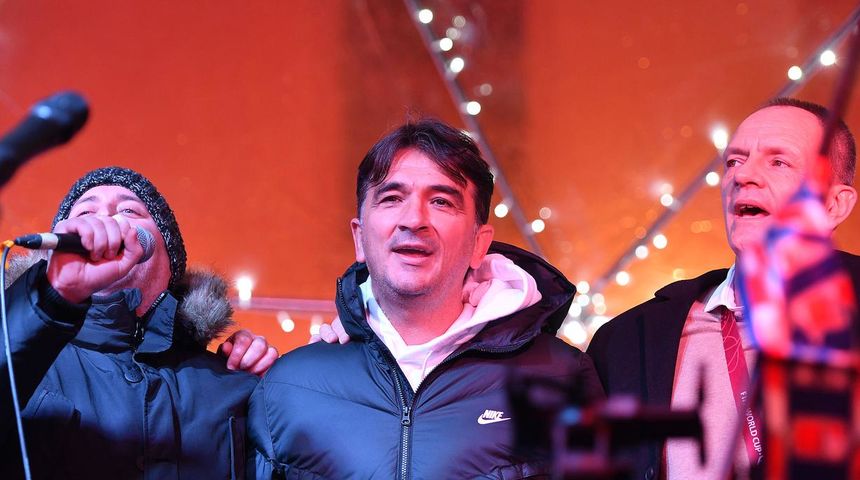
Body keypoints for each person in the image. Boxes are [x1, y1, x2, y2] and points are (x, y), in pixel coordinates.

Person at [248, 119, 604, 478]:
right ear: (359, 238)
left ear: (479, 244)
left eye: (441, 201)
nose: (414, 219)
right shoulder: (289, 386)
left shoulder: (561, 378)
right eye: (391, 198)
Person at [587, 97, 860, 479]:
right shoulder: (626, 342)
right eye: (734, 161)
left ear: (834, 205)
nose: (743, 175)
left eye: (778, 162)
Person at [1, 166, 278, 479]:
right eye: (86, 213)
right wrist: (51, 297)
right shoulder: (23, 363)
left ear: (169, 260)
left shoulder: (230, 380)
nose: (106, 219)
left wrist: (279, 389)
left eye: (129, 211)